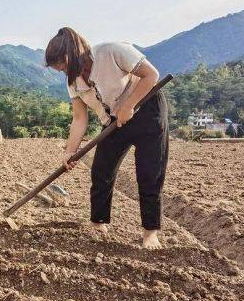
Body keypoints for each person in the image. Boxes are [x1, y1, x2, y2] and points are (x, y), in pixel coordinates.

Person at [44, 27, 167, 250]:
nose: (62, 71)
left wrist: (129, 105)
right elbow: (80, 118)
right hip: (114, 120)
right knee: (101, 170)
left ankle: (150, 233)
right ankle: (98, 223)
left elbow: (151, 75)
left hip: (147, 109)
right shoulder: (72, 82)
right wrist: (69, 152)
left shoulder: (111, 51)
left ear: (71, 55)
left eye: (62, 65)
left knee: (149, 173)